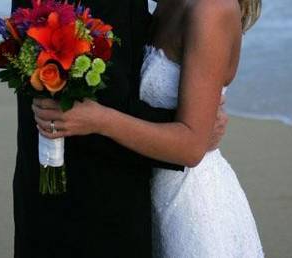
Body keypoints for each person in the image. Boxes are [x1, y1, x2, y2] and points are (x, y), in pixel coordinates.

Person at [34, 0, 263, 257]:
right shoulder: (167, 3)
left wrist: (99, 120)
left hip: (190, 205)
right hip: (141, 197)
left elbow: (191, 148)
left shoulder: (213, 9)